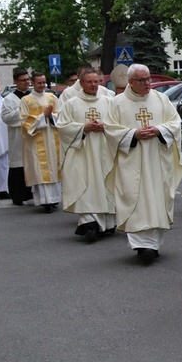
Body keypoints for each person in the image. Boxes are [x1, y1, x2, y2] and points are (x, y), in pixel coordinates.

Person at [104, 64, 182, 263]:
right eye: (142, 80)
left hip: (158, 159)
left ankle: (154, 243)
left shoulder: (161, 99)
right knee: (135, 197)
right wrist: (133, 134)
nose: (147, 83)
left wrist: (159, 130)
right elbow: (110, 129)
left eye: (148, 79)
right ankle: (141, 244)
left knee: (158, 198)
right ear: (130, 82)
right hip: (132, 160)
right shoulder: (118, 103)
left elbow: (175, 123)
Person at [57, 69, 116, 241]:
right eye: (89, 82)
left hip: (104, 150)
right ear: (81, 83)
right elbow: (62, 127)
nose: (93, 85)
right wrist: (83, 128)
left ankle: (107, 223)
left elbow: (118, 124)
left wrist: (105, 126)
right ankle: (88, 223)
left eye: (96, 81)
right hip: (82, 152)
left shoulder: (109, 102)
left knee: (105, 183)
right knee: (86, 183)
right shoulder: (71, 104)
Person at [19, 72, 62, 213]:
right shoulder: (26, 100)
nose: (42, 85)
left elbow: (61, 116)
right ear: (32, 83)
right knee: (40, 169)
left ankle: (54, 199)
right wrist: (43, 116)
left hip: (52, 138)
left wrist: (51, 117)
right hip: (36, 141)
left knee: (54, 168)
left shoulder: (52, 97)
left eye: (44, 82)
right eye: (39, 83)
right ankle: (45, 201)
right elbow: (25, 121)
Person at [1, 69, 33, 205]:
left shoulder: (33, 97)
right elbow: (6, 118)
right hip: (18, 138)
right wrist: (22, 109)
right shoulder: (9, 99)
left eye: (27, 79)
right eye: (23, 80)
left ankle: (32, 194)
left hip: (33, 136)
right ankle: (18, 196)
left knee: (33, 166)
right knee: (18, 167)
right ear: (15, 82)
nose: (26, 82)